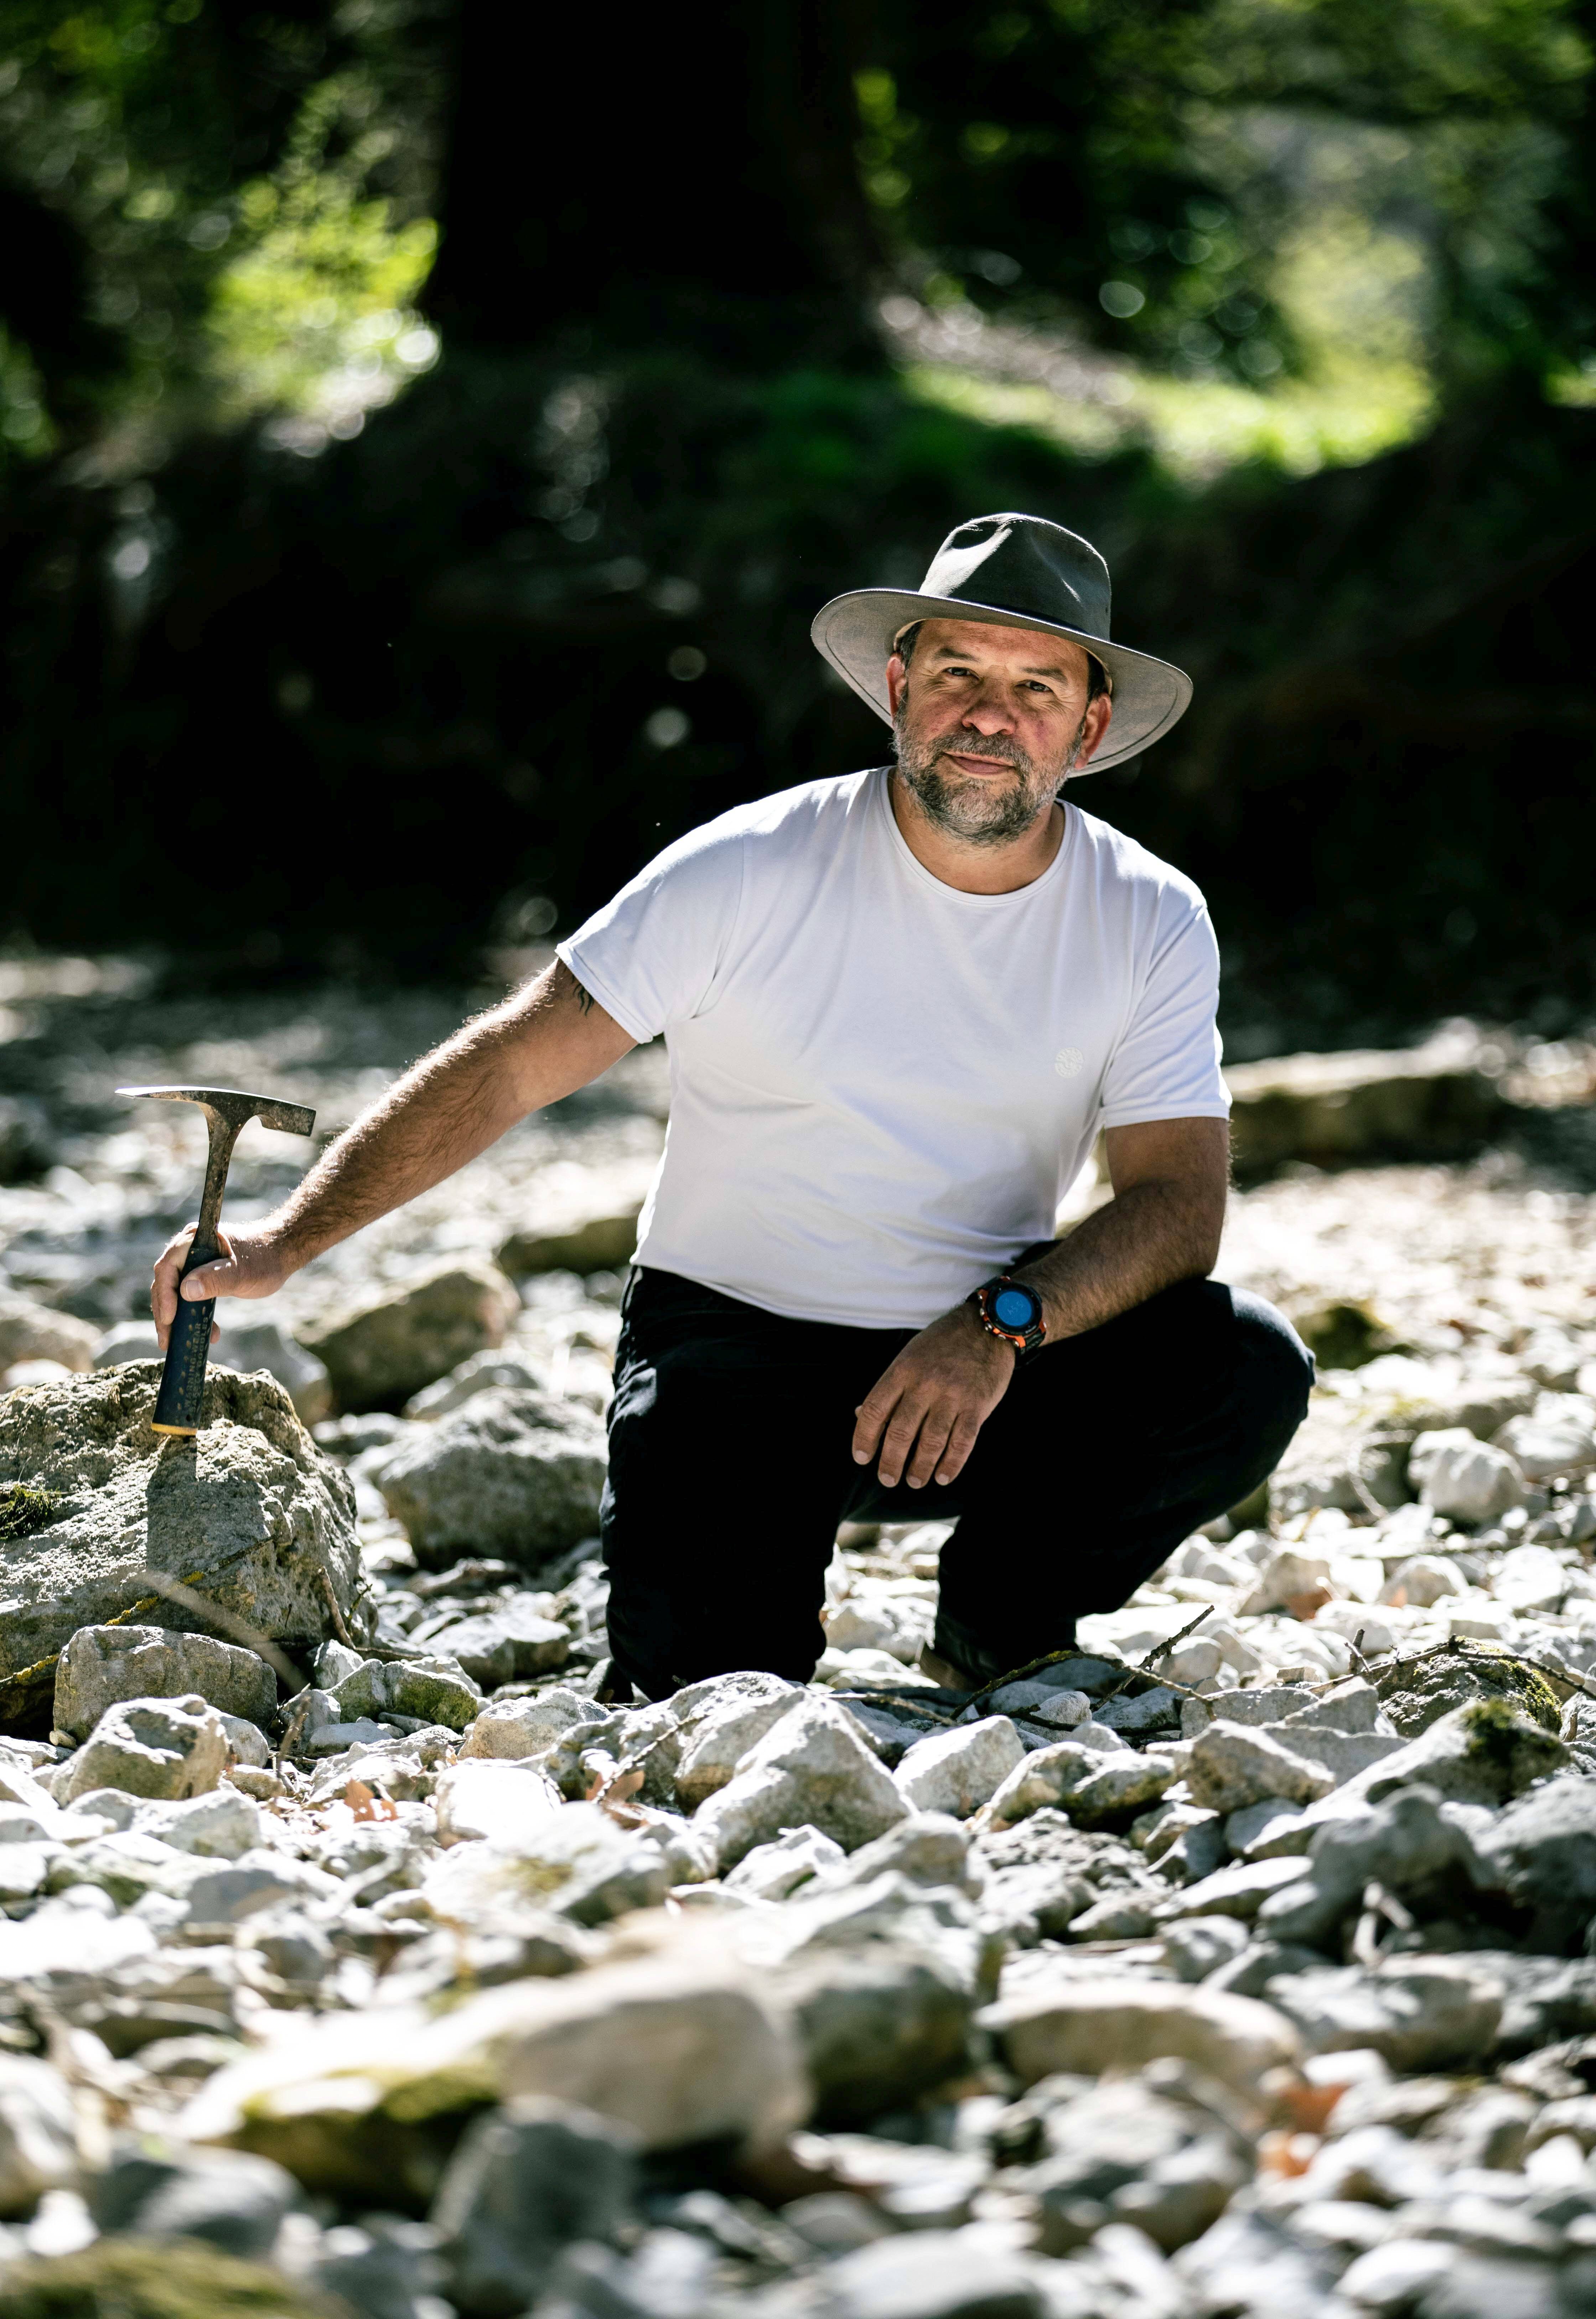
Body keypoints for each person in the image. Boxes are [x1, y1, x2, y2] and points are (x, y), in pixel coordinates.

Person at [152, 513, 1312, 1703]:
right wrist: (288, 1240)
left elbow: (1178, 1204)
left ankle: (1003, 1620)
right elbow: (509, 1065)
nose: (988, 716)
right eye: (958, 673)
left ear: (1090, 725)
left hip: (989, 1361)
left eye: (1036, 687)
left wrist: (999, 1323)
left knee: (1240, 1364)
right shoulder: (747, 867)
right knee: (705, 1700)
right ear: (900, 687)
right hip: (742, 1352)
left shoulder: (1149, 913)